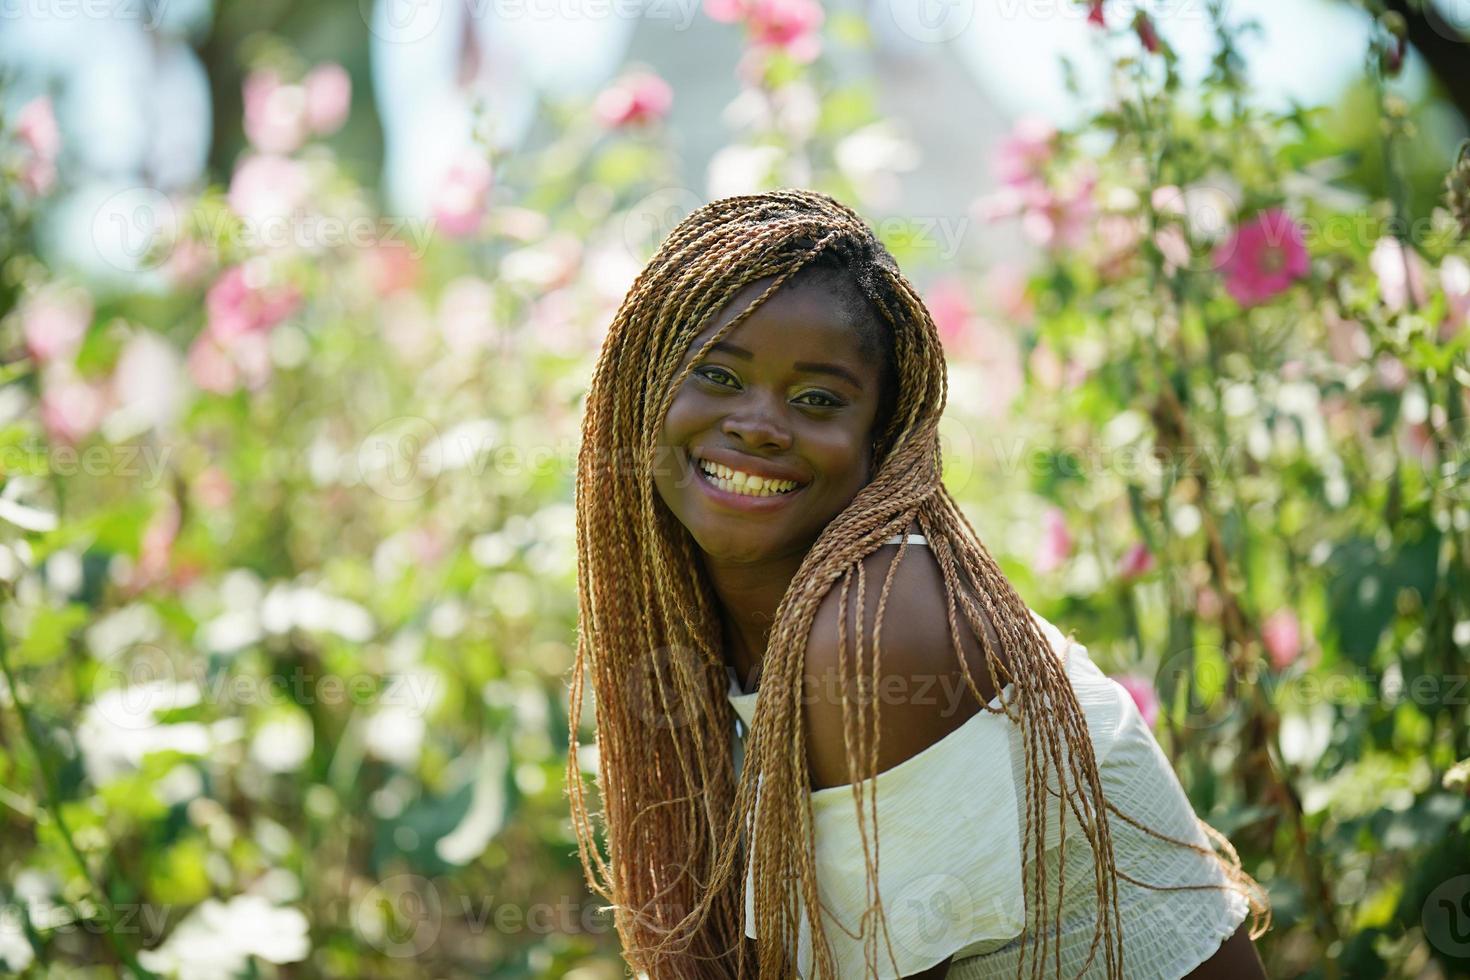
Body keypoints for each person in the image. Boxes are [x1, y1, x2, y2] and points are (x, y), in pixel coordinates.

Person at [566, 189, 1270, 978]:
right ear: (639, 389)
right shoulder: (715, 624)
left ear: (881, 441)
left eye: (818, 399)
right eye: (719, 377)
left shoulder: (877, 626)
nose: (760, 423)